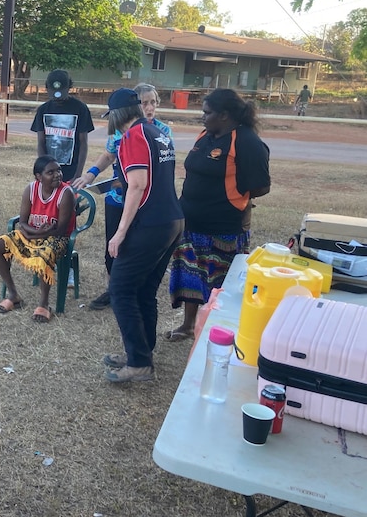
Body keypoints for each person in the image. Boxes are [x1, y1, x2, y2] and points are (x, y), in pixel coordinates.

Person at [165, 88, 270, 342]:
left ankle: (215, 330)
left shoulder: (246, 141)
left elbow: (260, 186)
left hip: (223, 228)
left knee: (220, 284)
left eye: (207, 112)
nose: (202, 116)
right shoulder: (205, 136)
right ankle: (189, 325)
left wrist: (231, 195)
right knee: (190, 275)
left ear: (224, 115)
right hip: (190, 222)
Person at [101, 88, 183, 383]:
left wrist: (120, 233)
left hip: (151, 223)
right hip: (172, 219)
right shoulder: (156, 133)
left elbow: (137, 185)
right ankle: (142, 353)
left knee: (121, 290)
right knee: (144, 290)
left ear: (117, 115)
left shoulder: (133, 136)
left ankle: (139, 362)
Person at [75, 83, 172, 311]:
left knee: (133, 247)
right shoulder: (121, 131)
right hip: (117, 198)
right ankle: (113, 291)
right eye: (144, 102)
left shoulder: (161, 132)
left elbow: (155, 173)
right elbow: (109, 155)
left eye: (152, 102)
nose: (149, 107)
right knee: (112, 248)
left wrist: (129, 182)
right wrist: (90, 175)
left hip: (141, 200)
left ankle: (130, 292)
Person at [0, 155, 76, 323]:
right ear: (38, 177)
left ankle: (44, 304)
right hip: (34, 234)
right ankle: (13, 295)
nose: (57, 174)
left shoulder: (66, 193)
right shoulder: (31, 189)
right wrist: (30, 233)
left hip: (58, 239)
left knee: (44, 254)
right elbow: (22, 222)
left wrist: (31, 234)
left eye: (59, 170)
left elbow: (60, 231)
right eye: (51, 172)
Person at [31, 69, 93, 185]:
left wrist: (78, 175)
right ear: (47, 88)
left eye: (61, 93)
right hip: (49, 172)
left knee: (69, 202)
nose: (57, 97)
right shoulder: (43, 110)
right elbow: (41, 142)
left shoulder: (80, 109)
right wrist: (44, 169)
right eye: (53, 93)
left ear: (69, 87)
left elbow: (83, 143)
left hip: (71, 171)